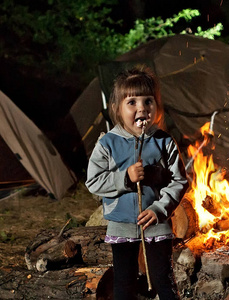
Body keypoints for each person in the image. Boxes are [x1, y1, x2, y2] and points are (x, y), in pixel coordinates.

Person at [86, 65, 188, 300]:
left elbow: (179, 181)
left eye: (148, 101)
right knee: (124, 281)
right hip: (121, 224)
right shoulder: (107, 143)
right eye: (132, 102)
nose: (141, 108)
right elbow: (93, 181)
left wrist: (159, 209)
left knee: (163, 278)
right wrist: (125, 179)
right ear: (117, 109)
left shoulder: (164, 141)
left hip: (157, 222)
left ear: (156, 106)